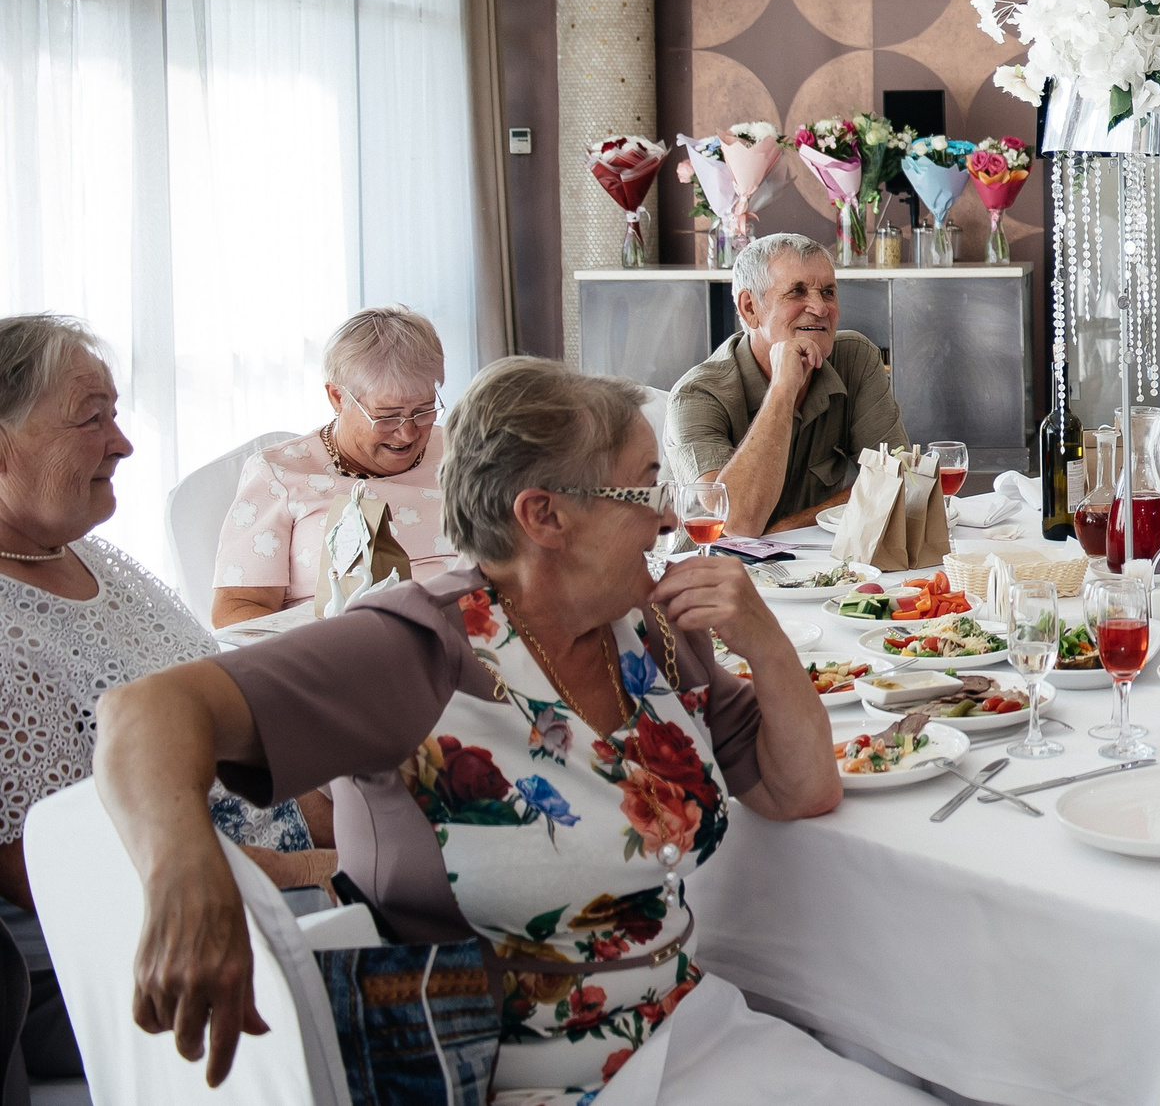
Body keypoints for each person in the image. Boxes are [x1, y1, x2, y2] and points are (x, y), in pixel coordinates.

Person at [93, 355, 927, 1101]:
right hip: (503, 1071)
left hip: (690, 1026)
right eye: (646, 487)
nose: (672, 517)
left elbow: (801, 786)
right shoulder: (414, 647)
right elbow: (144, 713)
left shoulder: (651, 626)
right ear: (545, 515)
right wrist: (184, 874)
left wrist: (766, 641)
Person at [0, 314, 331, 1088]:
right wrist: (323, 864)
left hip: (263, 865)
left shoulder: (94, 558)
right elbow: (67, 870)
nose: (123, 443)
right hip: (143, 936)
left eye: (118, 414)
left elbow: (231, 710)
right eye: (93, 418)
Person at [211, 305, 456, 627]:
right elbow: (236, 612)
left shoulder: (461, 453)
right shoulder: (278, 476)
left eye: (423, 410)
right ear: (338, 397)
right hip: (341, 652)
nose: (407, 431)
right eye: (386, 415)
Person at [667, 233, 907, 537]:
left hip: (819, 567)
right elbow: (738, 523)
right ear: (750, 309)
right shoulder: (696, 395)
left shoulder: (855, 358)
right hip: (722, 571)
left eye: (829, 292)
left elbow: (897, 477)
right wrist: (782, 388)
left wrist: (792, 526)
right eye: (797, 292)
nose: (821, 308)